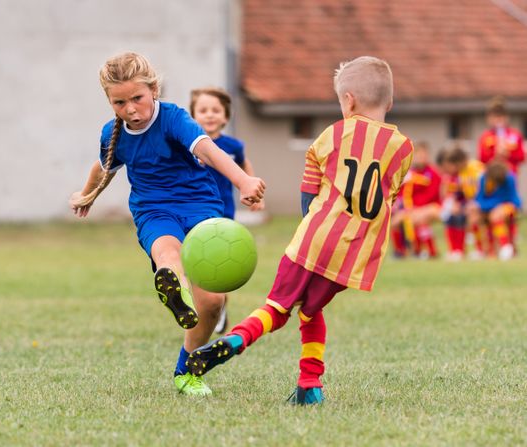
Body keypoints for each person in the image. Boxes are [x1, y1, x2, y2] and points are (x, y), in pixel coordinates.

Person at [185, 56, 413, 405]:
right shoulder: (403, 148)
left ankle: (235, 339)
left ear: (348, 101)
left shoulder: (335, 133)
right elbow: (390, 197)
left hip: (314, 239)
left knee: (277, 308)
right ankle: (310, 385)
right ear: (390, 102)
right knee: (310, 311)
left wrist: (310, 223)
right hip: (354, 253)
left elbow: (309, 187)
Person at [69, 52, 266, 396]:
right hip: (153, 210)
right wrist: (86, 195)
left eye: (137, 99)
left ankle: (187, 369)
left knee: (214, 302)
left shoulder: (174, 118)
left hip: (200, 207)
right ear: (109, 101)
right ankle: (172, 286)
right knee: (167, 251)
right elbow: (103, 167)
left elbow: (207, 150)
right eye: (120, 102)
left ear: (154, 90)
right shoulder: (112, 134)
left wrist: (243, 181)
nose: (130, 109)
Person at [189, 87, 264, 334]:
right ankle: (201, 305)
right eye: (203, 110)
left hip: (223, 214)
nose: (209, 115)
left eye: (215, 110)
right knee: (196, 263)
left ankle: (219, 306)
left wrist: (253, 191)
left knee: (220, 264)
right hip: (193, 210)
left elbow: (244, 164)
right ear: (193, 116)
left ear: (225, 116)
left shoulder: (232, 145)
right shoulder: (188, 144)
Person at [390, 141, 442, 259]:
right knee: (396, 221)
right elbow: (401, 193)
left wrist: (414, 207)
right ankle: (400, 252)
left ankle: (429, 250)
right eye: (419, 156)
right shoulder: (408, 174)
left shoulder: (433, 173)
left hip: (432, 206)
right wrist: (398, 205)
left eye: (424, 155)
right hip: (411, 208)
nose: (421, 158)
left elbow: (432, 195)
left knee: (419, 218)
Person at [439, 145, 485, 260]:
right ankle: (457, 250)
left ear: (460, 162)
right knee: (452, 215)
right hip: (469, 202)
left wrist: (475, 203)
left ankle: (480, 250)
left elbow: (484, 189)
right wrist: (455, 202)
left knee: (472, 215)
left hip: (482, 202)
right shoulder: (461, 172)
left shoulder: (476, 168)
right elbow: (461, 191)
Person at [474, 161, 521, 260]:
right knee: (474, 215)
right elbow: (479, 198)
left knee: (496, 215)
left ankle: (505, 246)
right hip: (489, 208)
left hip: (508, 206)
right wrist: (490, 206)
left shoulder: (509, 178)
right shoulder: (484, 179)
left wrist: (498, 206)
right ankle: (481, 250)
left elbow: (513, 199)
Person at [478, 96, 525, 176]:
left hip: (510, 174)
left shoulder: (515, 135)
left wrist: (508, 154)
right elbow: (481, 158)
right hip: (491, 175)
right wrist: (495, 154)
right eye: (495, 117)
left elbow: (521, 157)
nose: (498, 120)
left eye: (500, 116)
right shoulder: (485, 137)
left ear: (506, 117)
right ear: (489, 118)